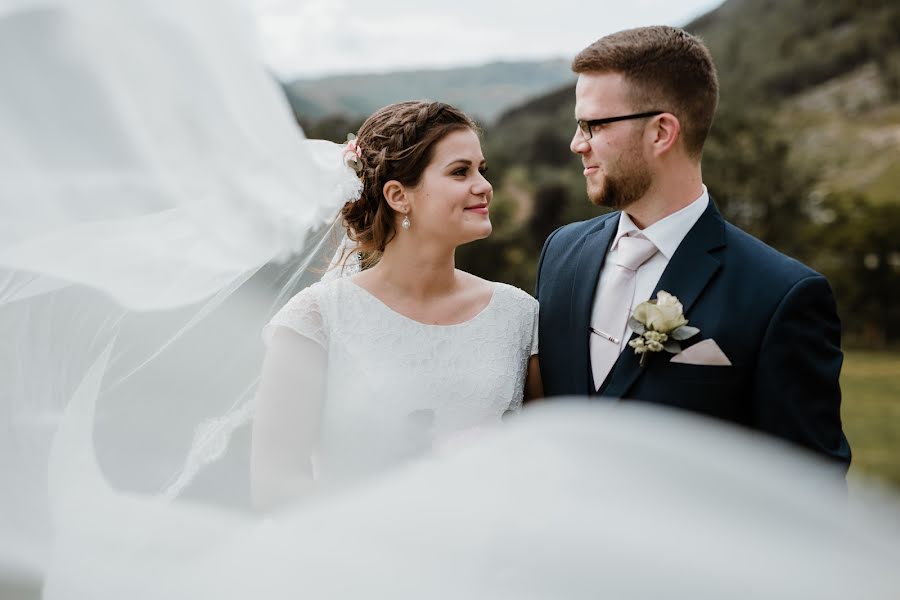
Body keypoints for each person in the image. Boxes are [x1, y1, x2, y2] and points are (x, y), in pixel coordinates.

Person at [534, 26, 850, 468]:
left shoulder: (781, 295)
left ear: (662, 132)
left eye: (593, 124)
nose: (576, 144)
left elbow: (810, 492)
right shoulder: (561, 254)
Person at [251, 101, 543, 509]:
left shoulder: (519, 315)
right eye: (461, 172)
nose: (483, 186)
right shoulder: (315, 319)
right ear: (397, 196)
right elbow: (275, 485)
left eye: (482, 170)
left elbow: (544, 464)